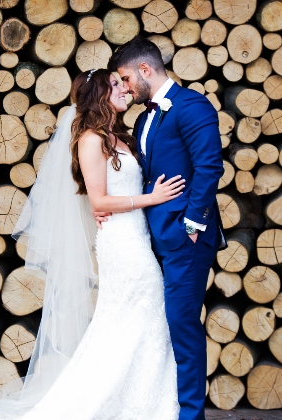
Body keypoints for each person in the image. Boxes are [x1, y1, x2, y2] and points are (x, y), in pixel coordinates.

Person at [0, 67, 183, 420]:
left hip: (137, 237)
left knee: (133, 321)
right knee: (138, 313)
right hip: (122, 244)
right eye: (114, 85)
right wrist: (153, 198)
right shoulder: (91, 139)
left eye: (122, 82)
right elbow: (99, 202)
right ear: (98, 96)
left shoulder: (118, 137)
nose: (123, 88)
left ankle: (139, 401)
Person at [103, 36, 225, 420]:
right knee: (159, 327)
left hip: (184, 239)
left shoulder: (192, 106)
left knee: (182, 326)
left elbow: (209, 167)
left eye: (124, 78)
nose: (122, 87)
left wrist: (191, 224)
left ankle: (191, 416)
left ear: (145, 69)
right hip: (149, 239)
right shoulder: (142, 118)